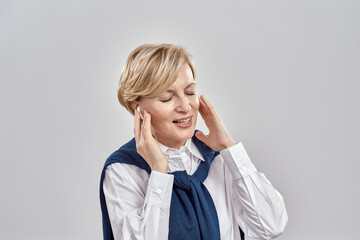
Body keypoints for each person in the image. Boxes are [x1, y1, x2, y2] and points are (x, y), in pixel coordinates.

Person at [99, 43, 288, 240]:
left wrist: (229, 149)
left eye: (190, 92)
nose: (185, 106)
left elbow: (271, 227)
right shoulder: (124, 170)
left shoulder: (218, 159)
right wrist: (158, 172)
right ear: (137, 108)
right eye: (166, 98)